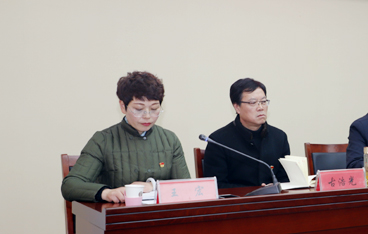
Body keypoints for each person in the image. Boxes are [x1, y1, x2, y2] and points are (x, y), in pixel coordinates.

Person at [61, 71, 190, 203]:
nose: (147, 116)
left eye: (154, 109)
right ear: (123, 106)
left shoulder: (169, 140)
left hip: (161, 214)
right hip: (119, 213)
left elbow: (187, 187)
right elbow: (70, 185)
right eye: (138, 109)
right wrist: (106, 193)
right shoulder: (103, 140)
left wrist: (154, 186)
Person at [203, 78, 289, 188]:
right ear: (237, 107)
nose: (260, 108)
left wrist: (277, 186)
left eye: (263, 102)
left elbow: (286, 179)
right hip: (238, 199)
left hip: (273, 198)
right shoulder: (218, 141)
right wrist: (255, 191)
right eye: (253, 103)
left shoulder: (279, 137)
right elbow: (217, 186)